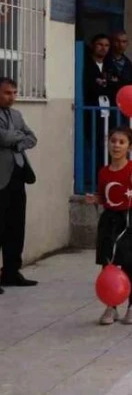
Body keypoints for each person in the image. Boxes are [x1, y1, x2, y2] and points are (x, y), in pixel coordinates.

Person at [85, 127, 132, 325]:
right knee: (108, 265)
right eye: (113, 141)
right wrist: (94, 199)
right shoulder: (104, 171)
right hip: (109, 221)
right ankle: (111, 306)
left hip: (130, 220)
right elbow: (103, 196)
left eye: (121, 142)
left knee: (128, 264)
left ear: (129, 147)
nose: (116, 145)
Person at [0, 77, 36, 290]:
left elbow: (32, 138)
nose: (12, 97)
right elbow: (2, 138)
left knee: (16, 227)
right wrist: (16, 138)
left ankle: (11, 272)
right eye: (7, 93)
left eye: (14, 92)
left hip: (17, 176)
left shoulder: (16, 114)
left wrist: (14, 139)